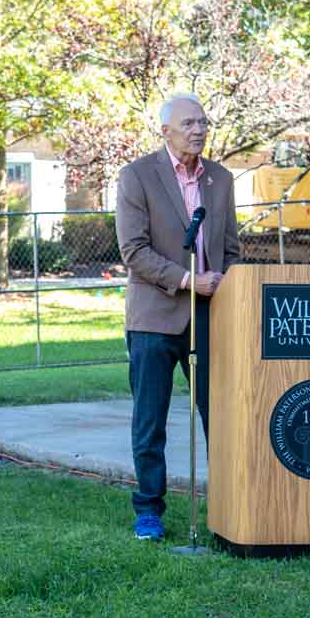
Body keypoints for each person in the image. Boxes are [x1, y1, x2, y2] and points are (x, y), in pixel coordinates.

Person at [115, 93, 240, 541]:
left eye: (203, 122)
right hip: (154, 317)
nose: (199, 130)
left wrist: (225, 279)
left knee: (223, 415)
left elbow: (230, 248)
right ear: (165, 130)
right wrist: (189, 281)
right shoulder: (136, 176)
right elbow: (134, 252)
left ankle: (231, 505)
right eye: (189, 123)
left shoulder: (221, 179)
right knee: (150, 419)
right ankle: (149, 510)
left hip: (212, 316)